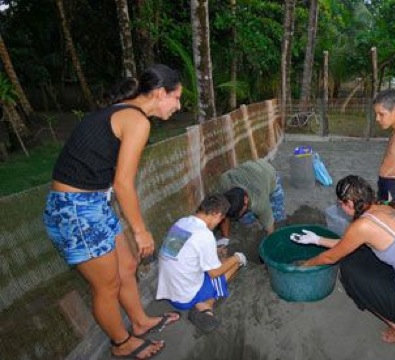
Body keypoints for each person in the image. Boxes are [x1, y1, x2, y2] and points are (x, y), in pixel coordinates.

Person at [43, 64, 183, 359]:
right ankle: (121, 343)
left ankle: (140, 322)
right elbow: (123, 183)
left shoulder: (124, 110)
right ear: (159, 93)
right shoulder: (137, 121)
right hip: (75, 211)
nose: (178, 106)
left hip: (93, 203)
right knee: (107, 287)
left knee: (128, 266)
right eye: (176, 98)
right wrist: (140, 230)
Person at [290, 175, 395, 352]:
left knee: (349, 272)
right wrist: (316, 240)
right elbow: (349, 243)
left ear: (349, 204)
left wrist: (304, 266)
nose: (341, 208)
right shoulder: (384, 208)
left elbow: (330, 258)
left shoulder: (362, 226)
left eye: (340, 204)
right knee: (361, 253)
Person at [156, 194, 247, 332]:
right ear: (216, 214)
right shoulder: (205, 235)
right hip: (185, 298)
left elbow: (184, 251)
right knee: (232, 265)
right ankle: (205, 305)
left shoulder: (182, 222)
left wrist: (215, 252)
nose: (219, 223)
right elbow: (215, 272)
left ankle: (203, 304)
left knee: (219, 262)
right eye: (221, 219)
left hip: (169, 291)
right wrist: (237, 258)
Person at [216, 159, 286, 239]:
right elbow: (223, 213)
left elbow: (269, 226)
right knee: (246, 219)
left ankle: (279, 228)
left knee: (277, 216)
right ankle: (253, 223)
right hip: (250, 171)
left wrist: (272, 242)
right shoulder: (224, 183)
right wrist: (225, 240)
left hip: (268, 173)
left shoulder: (259, 202)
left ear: (246, 200)